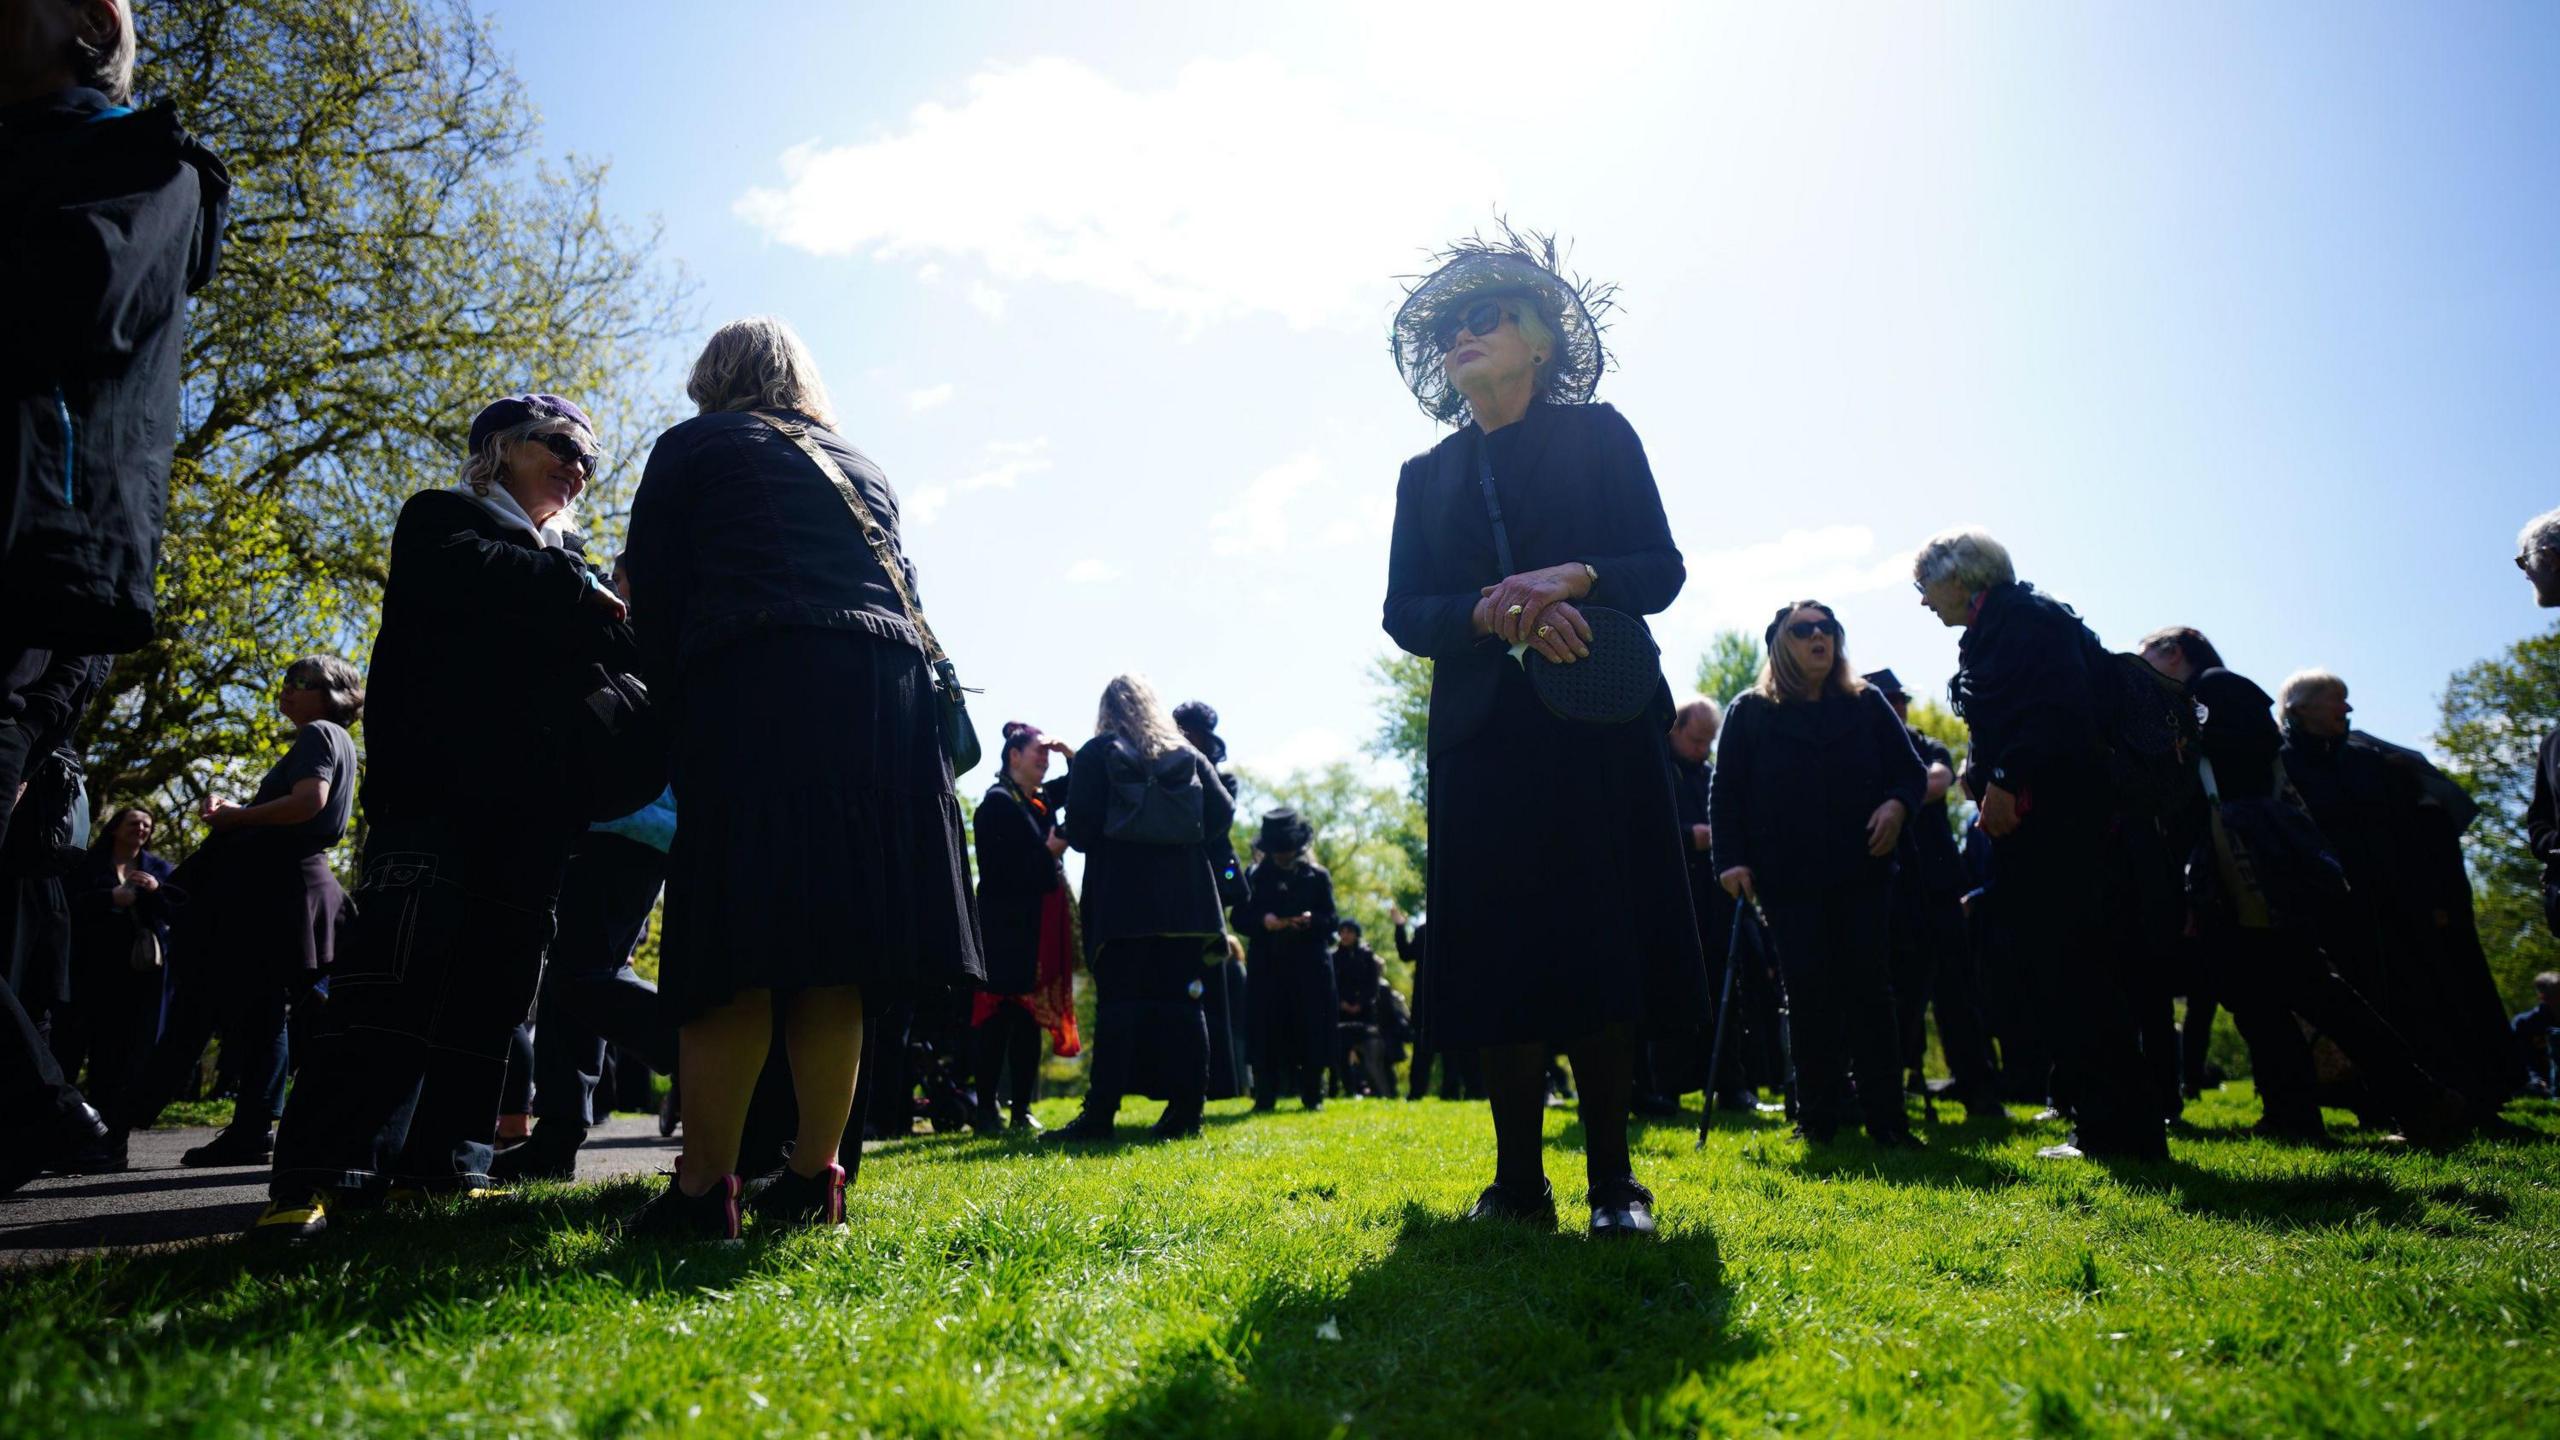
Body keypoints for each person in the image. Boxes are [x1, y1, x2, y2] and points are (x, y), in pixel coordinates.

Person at [621, 319, 985, 1237]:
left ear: (713, 375)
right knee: (839, 955)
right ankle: (815, 1181)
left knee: (731, 943)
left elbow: (654, 599)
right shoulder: (862, 464)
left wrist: (660, 711)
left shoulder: (695, 444)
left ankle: (704, 1191)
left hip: (761, 677)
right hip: (883, 698)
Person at [1382, 226, 1706, 1235]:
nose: (1462, 336)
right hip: (1483, 739)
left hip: (1597, 727)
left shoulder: (1600, 436)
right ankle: (1516, 1185)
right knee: (1498, 950)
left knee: (1599, 939)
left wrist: (1570, 577)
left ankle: (1615, 1184)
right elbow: (1404, 612)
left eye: (1485, 317)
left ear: (1539, 340)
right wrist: (1488, 609)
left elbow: (1658, 569)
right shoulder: (1424, 476)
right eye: (1448, 327)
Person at [252, 393, 637, 1241]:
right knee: (388, 986)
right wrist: (581, 589)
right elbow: (482, 578)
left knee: (492, 998)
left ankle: (442, 1172)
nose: (579, 468)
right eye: (563, 446)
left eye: (591, 460)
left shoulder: (568, 564)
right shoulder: (442, 521)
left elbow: (620, 659)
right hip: (433, 803)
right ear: (500, 448)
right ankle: (320, 1175)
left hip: (535, 816)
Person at [1, 0, 228, 1195]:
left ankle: (36, 1109)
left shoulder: (145, 164)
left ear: (87, 25)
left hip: (33, 555)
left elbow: (77, 297)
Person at [1916, 526, 2165, 1161]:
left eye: (1925, 586)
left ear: (1959, 578)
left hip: (2064, 825)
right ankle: (2101, 1122)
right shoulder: (2005, 625)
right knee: (2060, 972)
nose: (1922, 601)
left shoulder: (2028, 620)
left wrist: (2003, 779)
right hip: (2044, 828)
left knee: (2078, 970)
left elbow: (2057, 716)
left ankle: (2119, 1129)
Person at [2183, 667, 2466, 1144]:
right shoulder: (2247, 721)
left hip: (2241, 882)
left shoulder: (2210, 709)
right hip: (2273, 882)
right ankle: (2336, 1111)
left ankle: (2413, 1101)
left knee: (2286, 999)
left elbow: (2216, 785)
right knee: (2290, 998)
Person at [111, 655, 361, 1169]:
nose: (286, 689)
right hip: (290, 887)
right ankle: (247, 1127)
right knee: (261, 1012)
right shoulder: (339, 741)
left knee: (223, 1008)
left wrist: (237, 816)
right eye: (285, 681)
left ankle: (116, 1125)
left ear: (333, 694)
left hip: (271, 892)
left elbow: (308, 801)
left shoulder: (317, 732)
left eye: (301, 682)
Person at [1710, 605, 1927, 1147]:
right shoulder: (1750, 712)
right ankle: (1817, 1119)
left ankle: (1888, 1123)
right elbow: (1726, 792)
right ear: (1779, 644)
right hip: (1788, 880)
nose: (1818, 637)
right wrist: (1731, 860)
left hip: (1863, 872)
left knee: (1870, 992)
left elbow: (1911, 773)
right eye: (1803, 630)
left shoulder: (1867, 704)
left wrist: (1897, 807)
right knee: (1808, 993)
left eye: (1826, 628)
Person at [2280, 669, 2516, 1126]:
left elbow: (2415, 835)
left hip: (2396, 907)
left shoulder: (2372, 763)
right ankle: (2377, 1106)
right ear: (2300, 708)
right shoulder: (2282, 766)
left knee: (2421, 999)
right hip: (2333, 911)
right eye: (2335, 700)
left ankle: (2453, 1097)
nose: (2346, 709)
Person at [1048, 675, 1233, 1143]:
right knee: (1186, 1005)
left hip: (1122, 904)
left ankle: (1100, 1115)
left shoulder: (1096, 753)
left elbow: (1084, 834)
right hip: (1187, 905)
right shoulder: (1186, 754)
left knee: (1119, 1006)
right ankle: (1186, 1114)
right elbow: (1222, 812)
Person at [490, 781, 680, 1181]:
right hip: (619, 820)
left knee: (578, 977)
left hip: (621, 819)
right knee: (571, 975)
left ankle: (703, 1047)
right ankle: (556, 1139)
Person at [1865, 669, 2000, 1112]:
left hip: (1939, 886)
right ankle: (1895, 1084)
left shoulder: (1924, 745)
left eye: (1899, 700)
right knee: (1896, 993)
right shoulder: (1861, 750)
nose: (1896, 707)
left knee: (1958, 991)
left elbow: (1939, 779)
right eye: (1886, 700)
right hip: (1889, 887)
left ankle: (1976, 1086)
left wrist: (1897, 796)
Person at [968, 722, 1078, 1134]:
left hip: (1035, 928)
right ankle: (985, 1110)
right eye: (1039, 753)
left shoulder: (1037, 801)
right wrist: (1046, 853)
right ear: (1014, 756)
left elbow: (1079, 785)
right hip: (1003, 929)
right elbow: (998, 873)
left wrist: (1069, 752)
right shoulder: (997, 803)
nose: (1045, 762)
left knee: (1029, 1018)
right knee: (997, 1017)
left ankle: (1019, 1109)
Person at [53, 808, 179, 1106]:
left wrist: (157, 890)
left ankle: (107, 1119)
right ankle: (61, 1115)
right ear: (114, 828)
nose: (141, 828)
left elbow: (178, 911)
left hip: (136, 976)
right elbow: (65, 906)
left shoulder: (158, 869)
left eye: (147, 825)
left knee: (117, 1051)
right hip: (87, 970)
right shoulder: (87, 866)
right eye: (134, 822)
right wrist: (108, 898)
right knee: (71, 1044)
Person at [1173, 699, 1252, 1101]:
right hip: (1172, 882)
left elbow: (1213, 825)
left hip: (1209, 882)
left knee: (1211, 982)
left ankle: (1220, 1081)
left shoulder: (1225, 780)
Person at [1233, 810, 1337, 1113]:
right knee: (1266, 1028)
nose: (1283, 856)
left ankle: (1312, 1093)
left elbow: (1331, 919)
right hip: (1269, 965)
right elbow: (1239, 917)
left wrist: (1310, 920)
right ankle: (1265, 1094)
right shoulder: (1254, 878)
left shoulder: (1317, 877)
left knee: (1312, 1026)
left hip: (1310, 965)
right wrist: (1264, 921)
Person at [1330, 919, 1392, 1098]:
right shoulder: (1333, 957)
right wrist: (1342, 1003)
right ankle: (1346, 1090)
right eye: (1342, 931)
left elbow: (1373, 986)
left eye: (1349, 931)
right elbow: (1331, 985)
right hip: (1341, 1014)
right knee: (1341, 1055)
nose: (1345, 935)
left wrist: (1361, 1003)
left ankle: (1378, 1091)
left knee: (1370, 1055)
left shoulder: (1367, 956)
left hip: (1364, 1014)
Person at [2516, 973, 2558, 1099]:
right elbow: (2523, 1057)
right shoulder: (2526, 1023)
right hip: (2545, 1084)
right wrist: (2536, 1080)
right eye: (2557, 993)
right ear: (2543, 997)